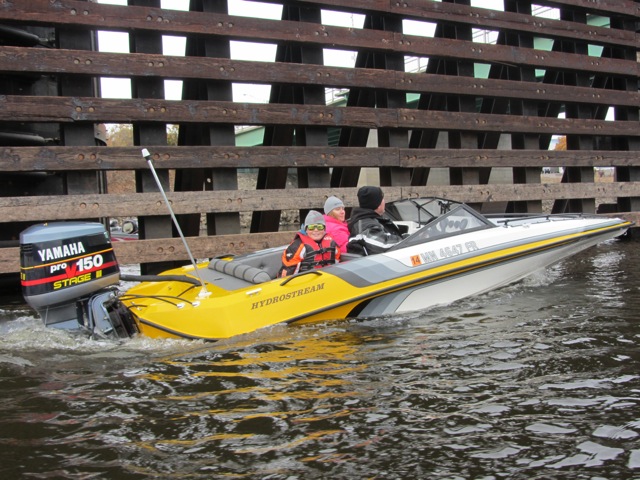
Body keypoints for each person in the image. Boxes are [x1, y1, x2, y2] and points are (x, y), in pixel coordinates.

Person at [278, 210, 341, 277]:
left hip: (327, 279)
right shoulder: (297, 246)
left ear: (324, 229)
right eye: (311, 227)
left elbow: (336, 263)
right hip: (305, 282)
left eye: (320, 227)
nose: (316, 230)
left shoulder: (332, 244)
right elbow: (288, 272)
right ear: (306, 229)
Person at [347, 186, 404, 255]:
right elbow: (384, 244)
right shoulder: (365, 225)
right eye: (382, 198)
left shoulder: (370, 220)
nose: (384, 201)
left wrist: (411, 236)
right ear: (377, 203)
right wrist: (411, 240)